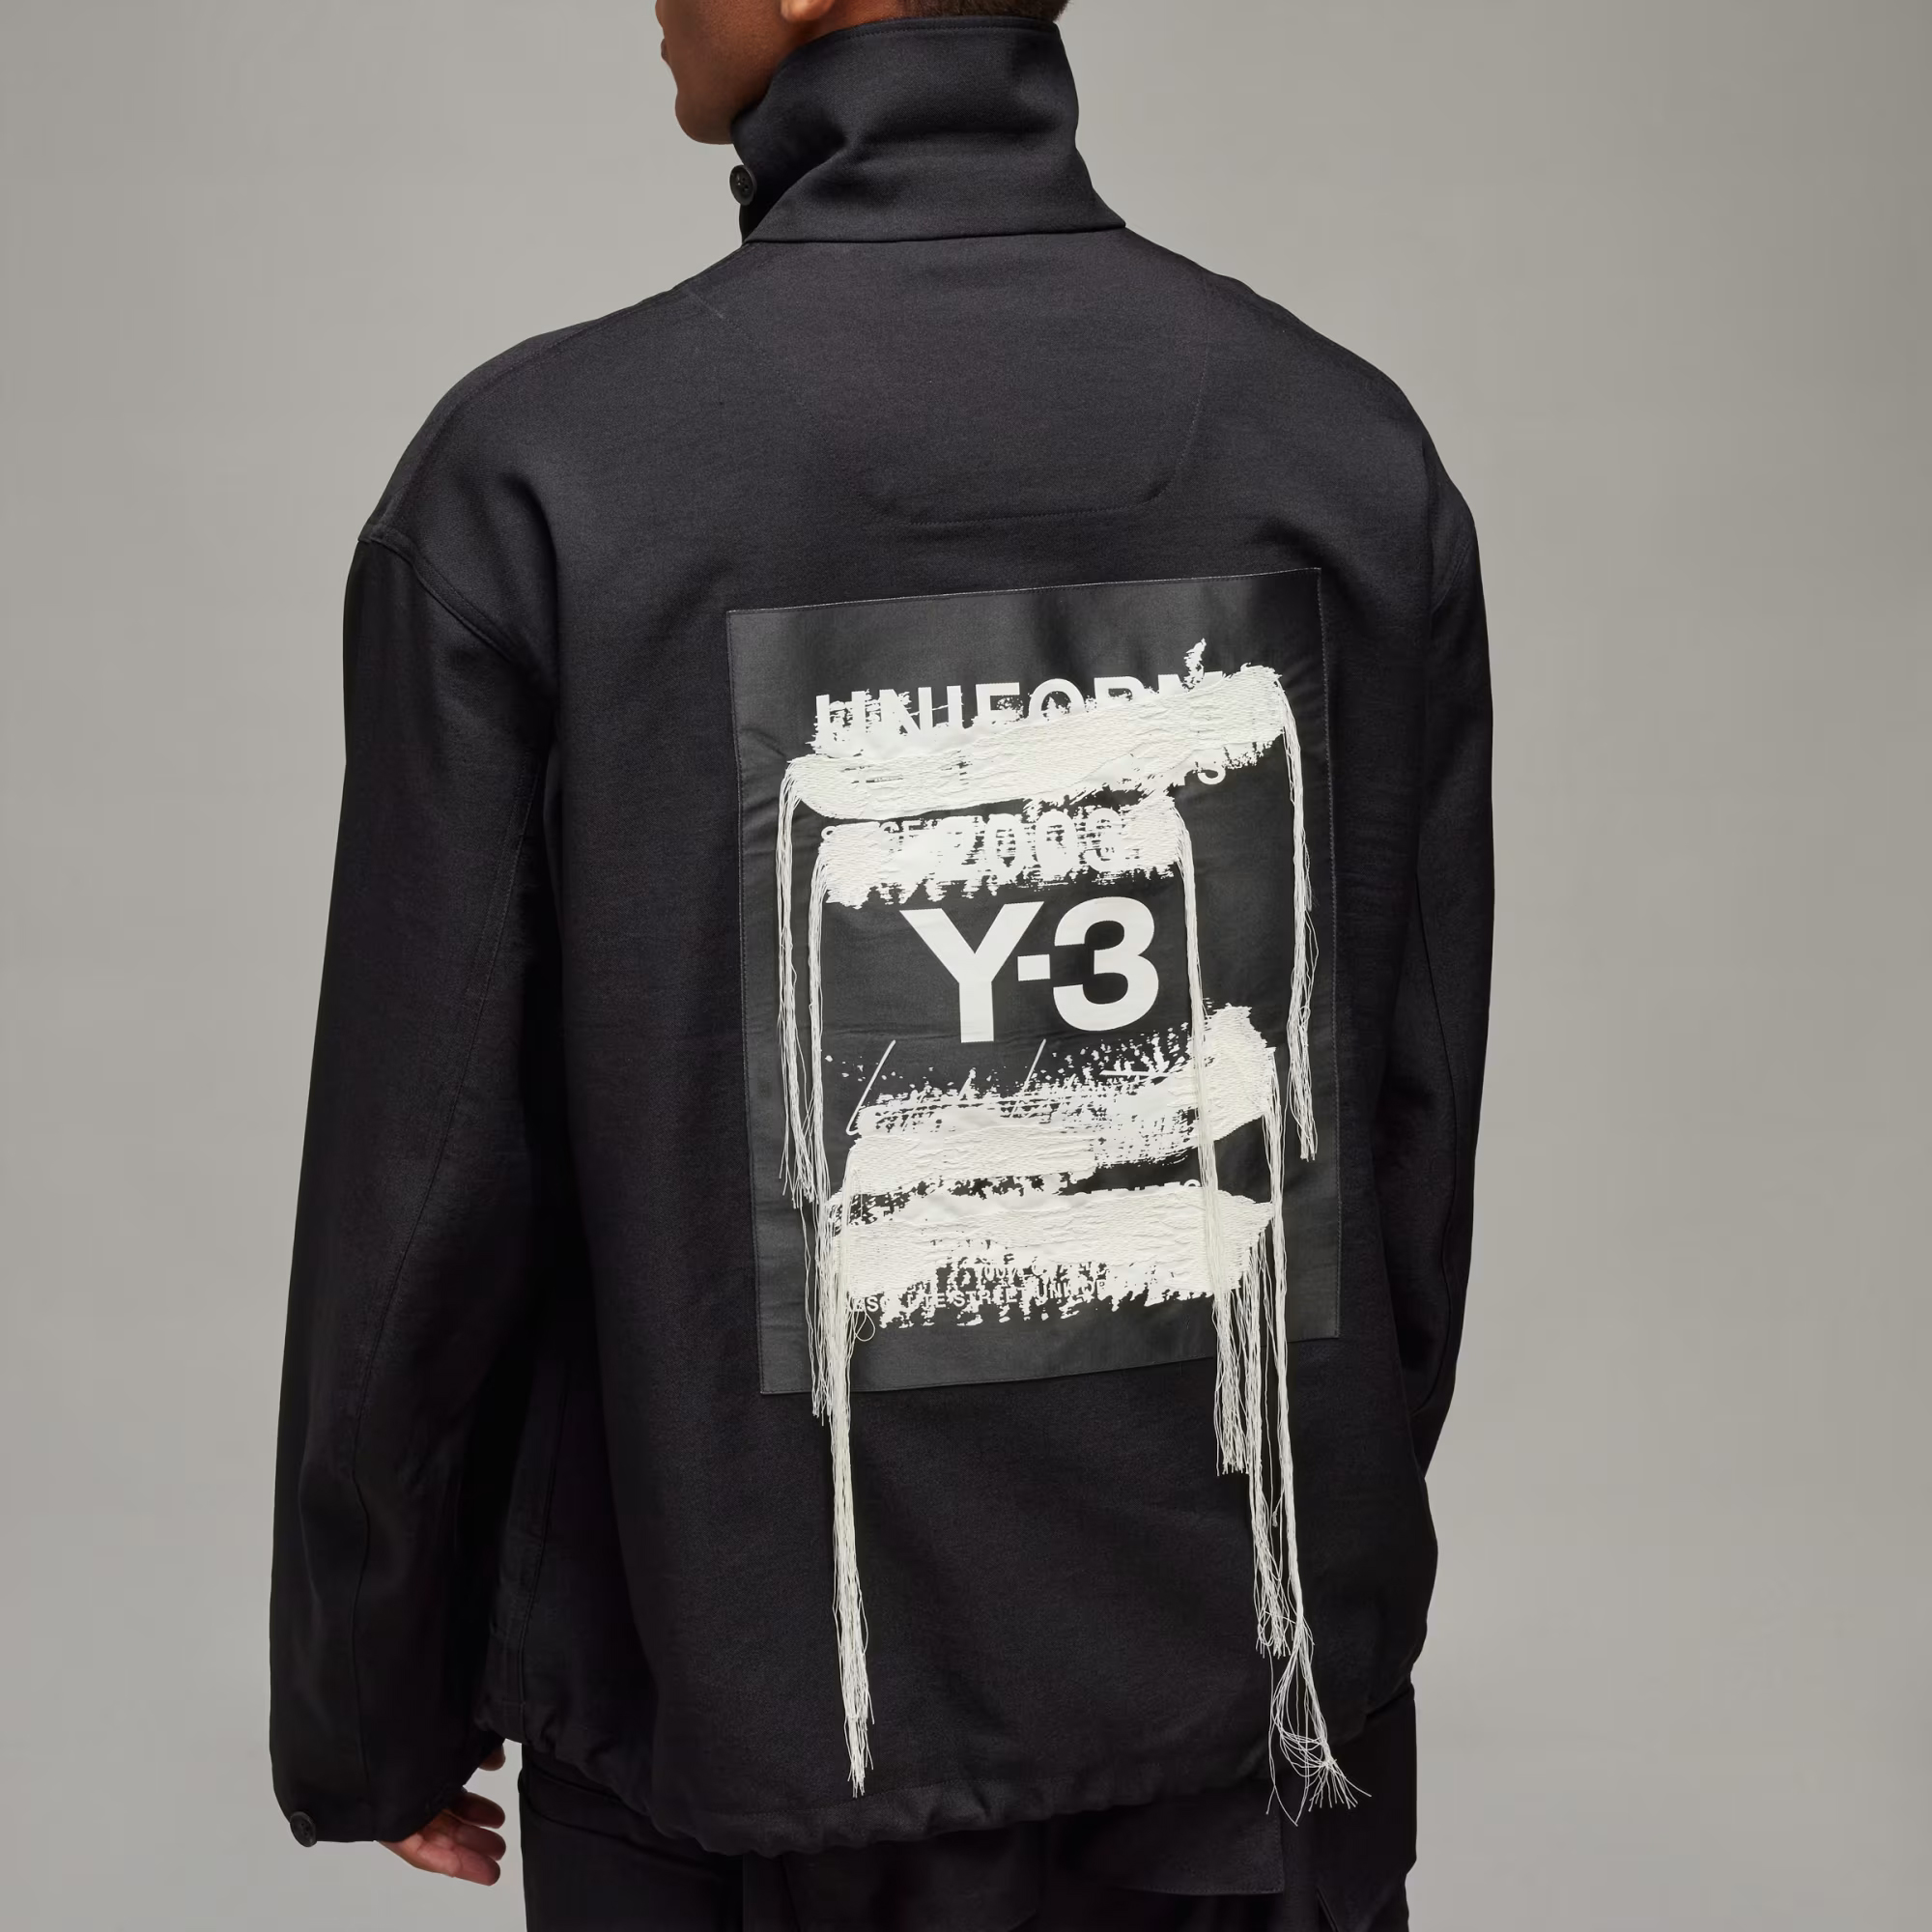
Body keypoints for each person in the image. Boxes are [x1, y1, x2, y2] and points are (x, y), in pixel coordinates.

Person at [269, 0, 1492, 1925]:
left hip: (732, 1772)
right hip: (1246, 1763)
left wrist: (373, 1694)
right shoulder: (1343, 452)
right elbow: (1407, 1138)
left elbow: (423, 1187)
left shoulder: (547, 481)